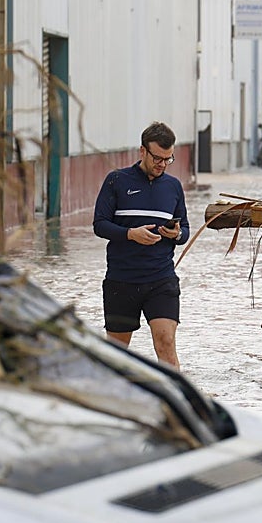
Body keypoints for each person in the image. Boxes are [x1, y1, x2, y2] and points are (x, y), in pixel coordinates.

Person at [93, 121, 190, 368]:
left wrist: (175, 234)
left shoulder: (173, 187)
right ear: (142, 151)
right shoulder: (116, 180)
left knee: (166, 342)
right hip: (121, 280)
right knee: (117, 353)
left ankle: (176, 403)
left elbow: (185, 232)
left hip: (161, 279)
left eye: (168, 159)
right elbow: (99, 224)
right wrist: (129, 234)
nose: (162, 165)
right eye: (157, 158)